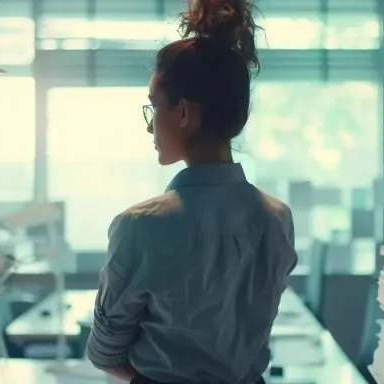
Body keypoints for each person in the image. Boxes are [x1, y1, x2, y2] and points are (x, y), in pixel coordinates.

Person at [85, 1, 297, 383]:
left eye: (153, 106)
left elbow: (104, 352)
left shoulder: (140, 226)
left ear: (183, 113)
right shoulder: (277, 217)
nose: (150, 128)